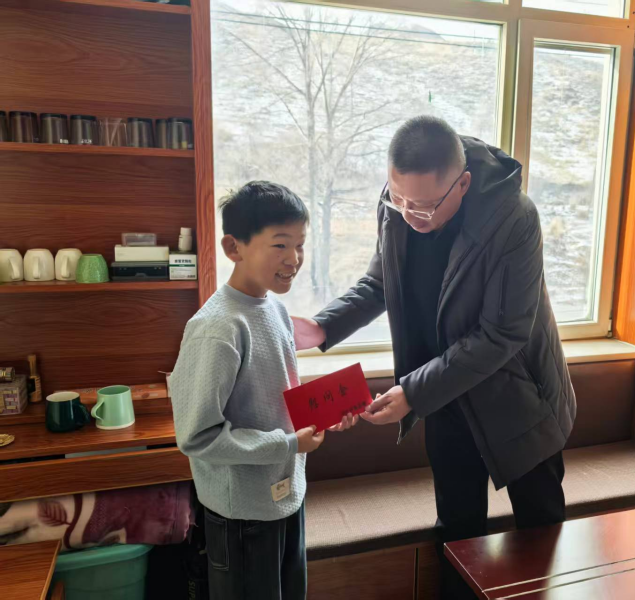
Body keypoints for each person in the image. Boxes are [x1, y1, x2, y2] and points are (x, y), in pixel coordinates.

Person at [293, 117, 576, 598]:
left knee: (540, 532)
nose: (409, 215)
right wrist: (324, 327)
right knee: (458, 533)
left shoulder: (513, 217)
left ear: (462, 184)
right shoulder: (399, 201)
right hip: (443, 393)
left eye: (423, 206)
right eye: (398, 199)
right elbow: (381, 281)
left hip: (519, 397)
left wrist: (413, 392)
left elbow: (502, 333)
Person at [171, 181, 356, 600]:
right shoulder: (217, 329)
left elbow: (276, 396)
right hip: (243, 516)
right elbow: (197, 436)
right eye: (280, 245)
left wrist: (323, 416)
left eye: (300, 244)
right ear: (233, 247)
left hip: (286, 497)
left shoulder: (275, 309)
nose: (294, 259)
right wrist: (289, 443)